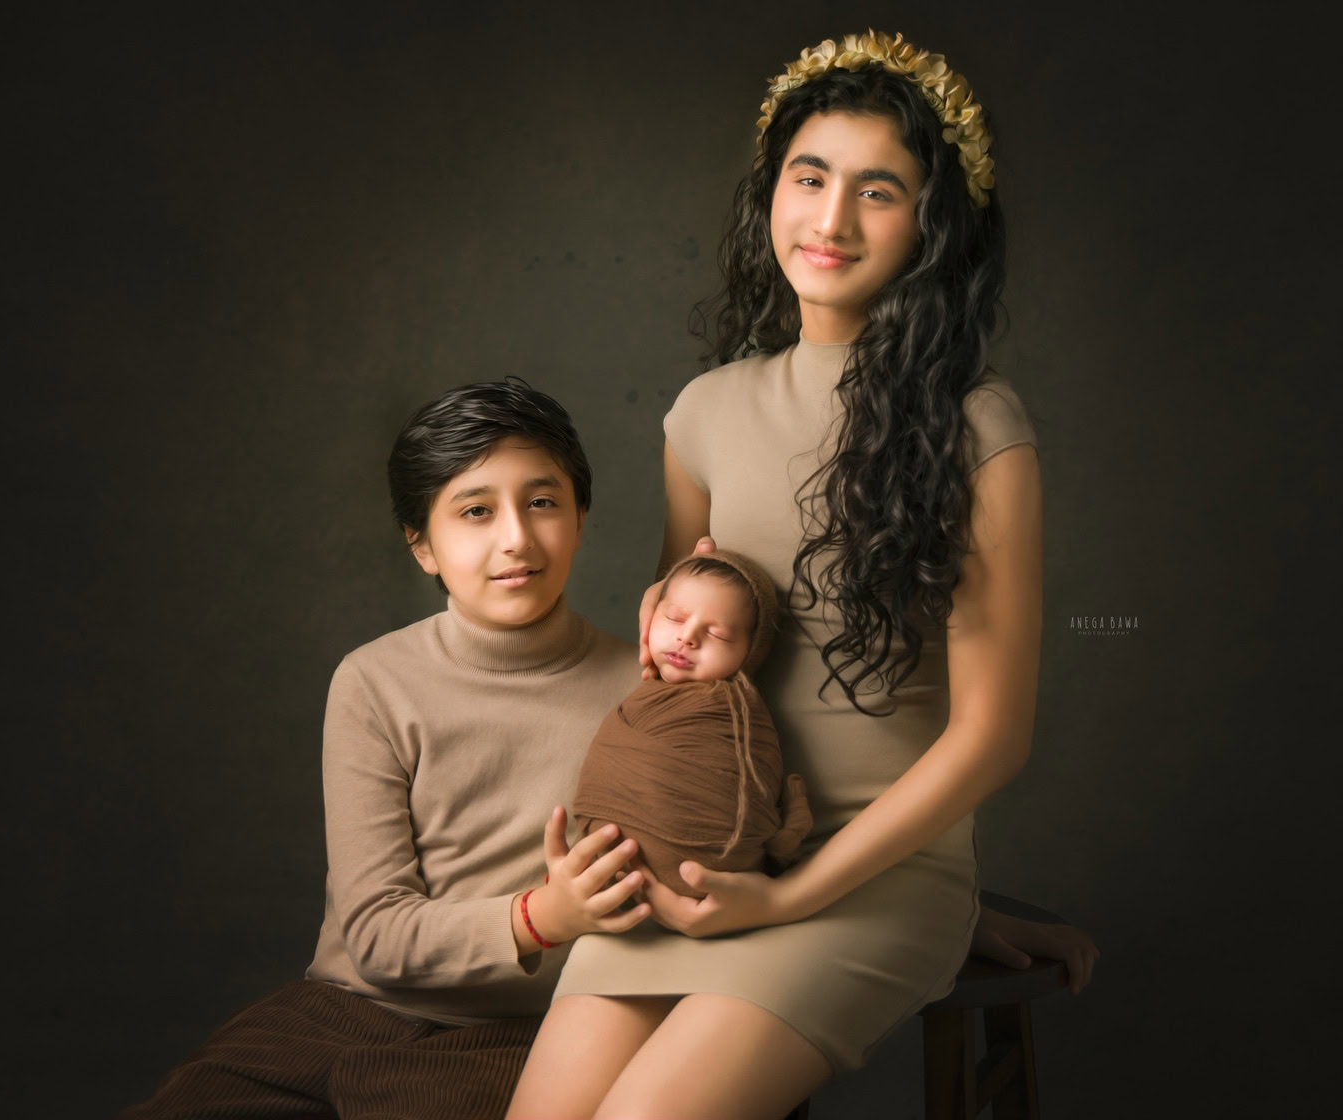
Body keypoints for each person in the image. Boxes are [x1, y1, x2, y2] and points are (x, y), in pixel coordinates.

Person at [508, 30, 1099, 1120]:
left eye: (877, 191)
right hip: (701, 858)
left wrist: (791, 893)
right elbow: (681, 685)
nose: (828, 222)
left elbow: (991, 735)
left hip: (865, 885)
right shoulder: (704, 411)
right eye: (807, 177)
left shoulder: (979, 425)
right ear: (768, 193)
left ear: (931, 224)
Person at [121, 380, 653, 1120]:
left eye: (543, 502)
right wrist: (540, 915)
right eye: (474, 511)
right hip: (348, 1009)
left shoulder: (647, 688)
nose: (516, 540)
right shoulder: (375, 681)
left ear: (581, 516)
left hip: (529, 1030)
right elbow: (373, 930)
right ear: (422, 546)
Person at [571, 550, 812, 897]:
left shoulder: (742, 717)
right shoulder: (639, 696)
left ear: (751, 651)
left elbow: (757, 786)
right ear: (651, 614)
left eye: (718, 635)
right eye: (674, 617)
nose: (688, 637)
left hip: (718, 879)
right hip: (616, 870)